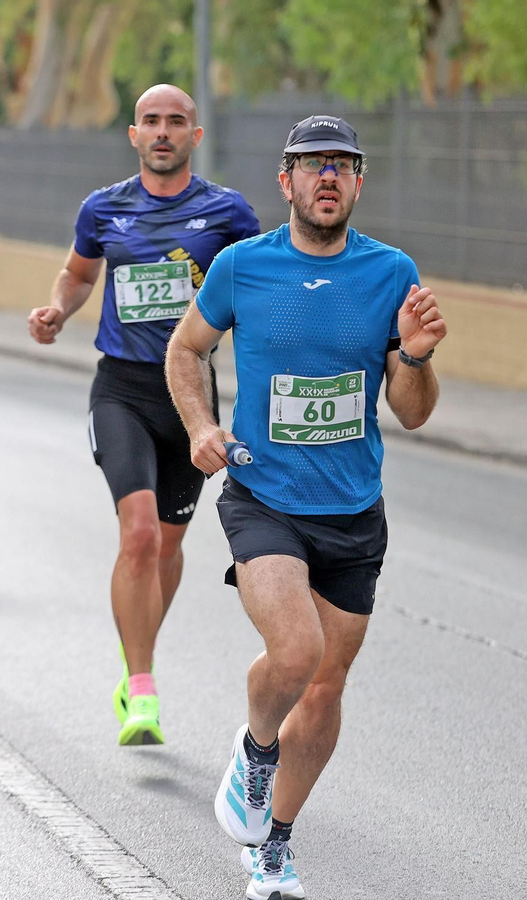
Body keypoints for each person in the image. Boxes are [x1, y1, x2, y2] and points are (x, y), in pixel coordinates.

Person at [165, 115, 448, 900]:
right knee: (296, 653)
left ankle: (274, 846)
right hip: (265, 495)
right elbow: (185, 349)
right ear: (285, 182)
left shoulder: (392, 273)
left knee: (325, 688)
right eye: (312, 165)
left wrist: (417, 357)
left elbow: (414, 409)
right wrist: (199, 427)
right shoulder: (240, 267)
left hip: (354, 507)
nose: (328, 177)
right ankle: (255, 755)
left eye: (343, 166)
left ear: (358, 183)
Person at [26, 84, 260, 747]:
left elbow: (261, 281)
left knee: (168, 544)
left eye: (176, 122)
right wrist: (57, 309)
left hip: (190, 404)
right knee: (138, 536)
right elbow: (77, 274)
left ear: (195, 136)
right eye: (151, 121)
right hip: (122, 390)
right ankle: (144, 685)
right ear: (133, 135)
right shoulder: (104, 208)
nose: (163, 131)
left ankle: (137, 664)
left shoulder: (227, 212)